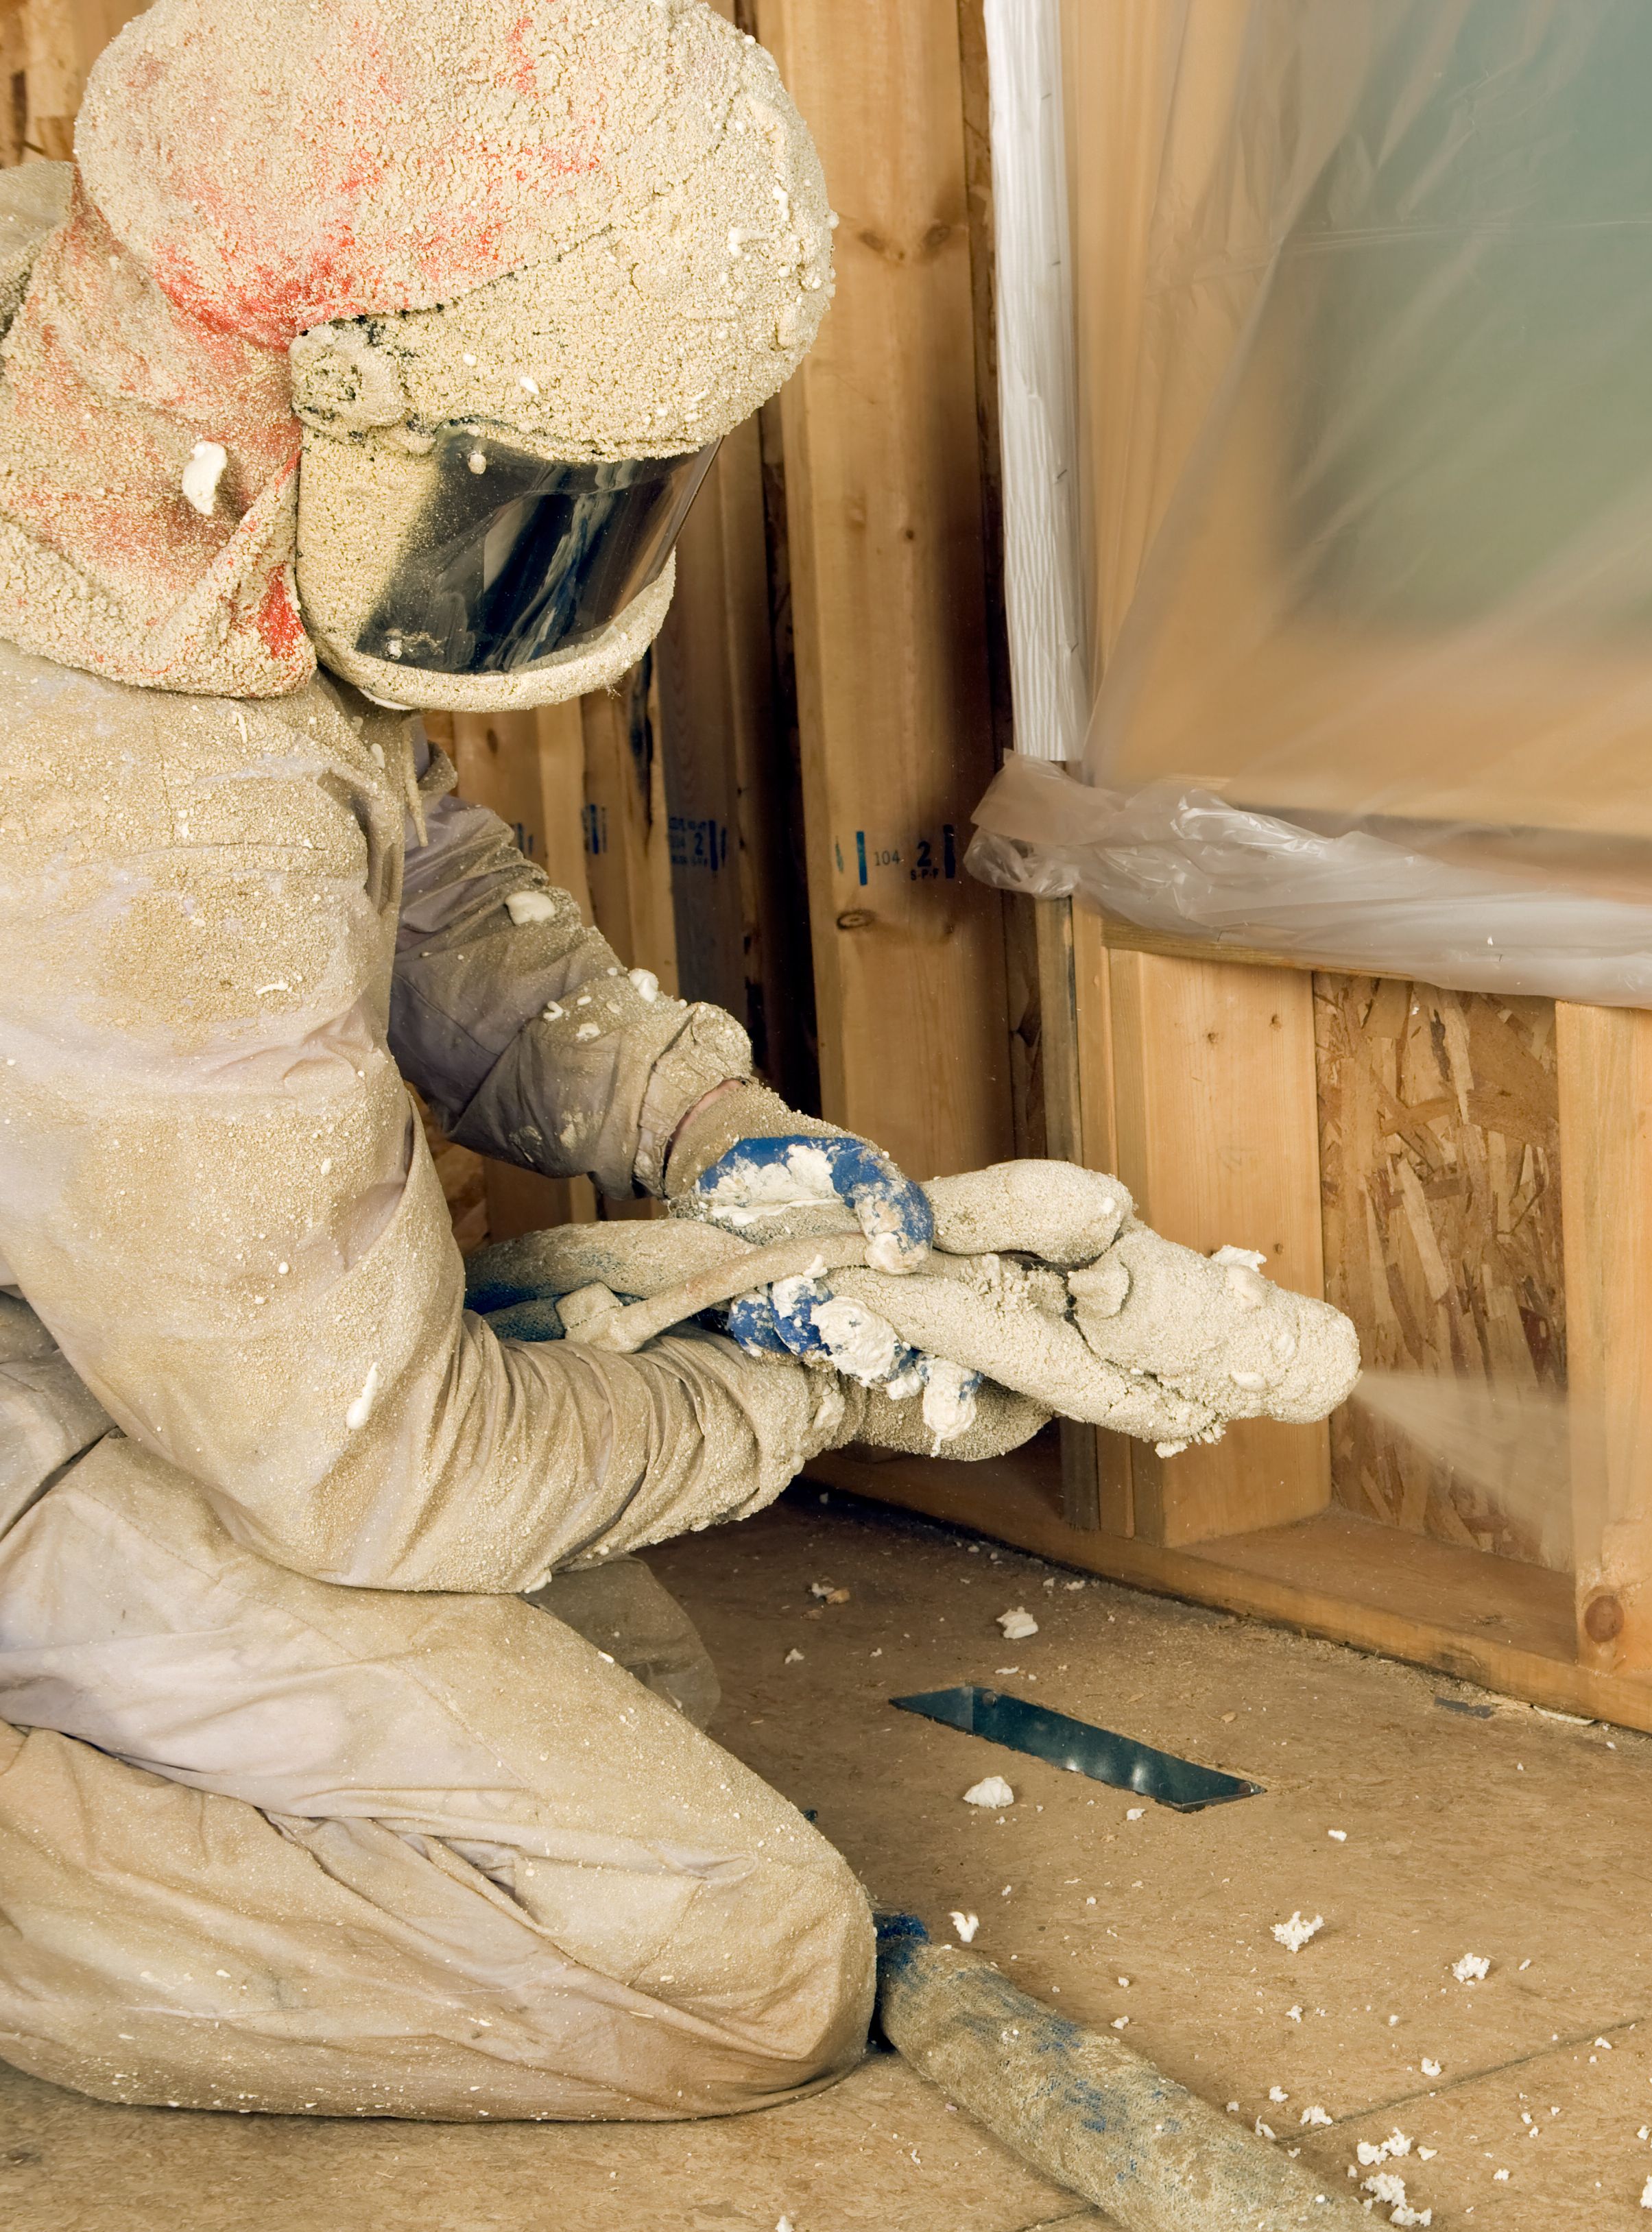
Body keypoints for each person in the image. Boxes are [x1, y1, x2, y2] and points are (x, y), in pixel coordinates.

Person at [0, 0, 1032, 2121]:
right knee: (739, 1960)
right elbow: (394, 1470)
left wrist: (707, 1129)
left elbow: (400, 878)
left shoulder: (128, 380)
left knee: (634, 1669)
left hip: (67, 1289)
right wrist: (809, 1390)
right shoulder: (119, 803)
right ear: (358, 397)